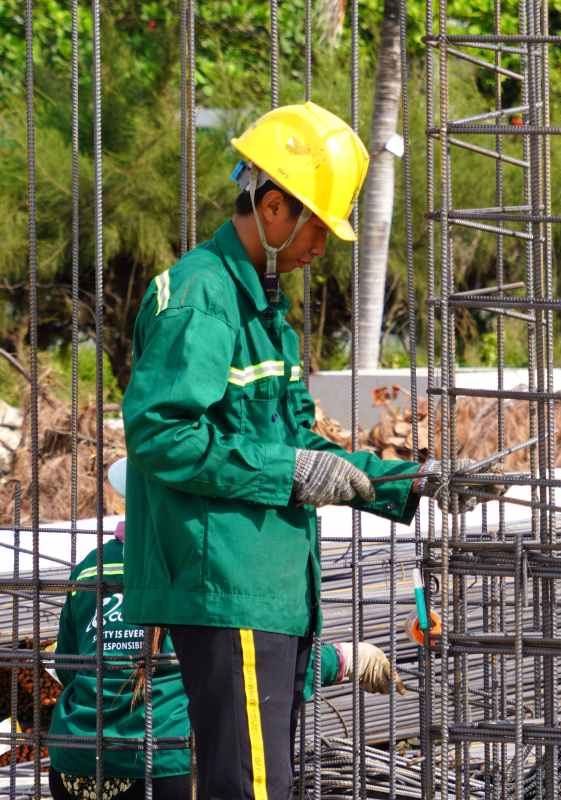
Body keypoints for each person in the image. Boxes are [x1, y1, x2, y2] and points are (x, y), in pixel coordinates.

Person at [120, 102, 500, 799]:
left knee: (260, 782)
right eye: (319, 227)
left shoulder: (263, 308)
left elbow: (294, 437)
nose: (322, 248)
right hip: (225, 582)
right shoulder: (203, 299)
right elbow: (160, 435)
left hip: (264, 584)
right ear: (272, 207)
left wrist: (411, 483)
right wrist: (288, 472)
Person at [47, 458, 407, 800]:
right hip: (163, 764)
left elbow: (68, 666)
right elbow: (255, 665)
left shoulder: (91, 568)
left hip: (76, 759)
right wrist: (345, 659)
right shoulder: (208, 569)